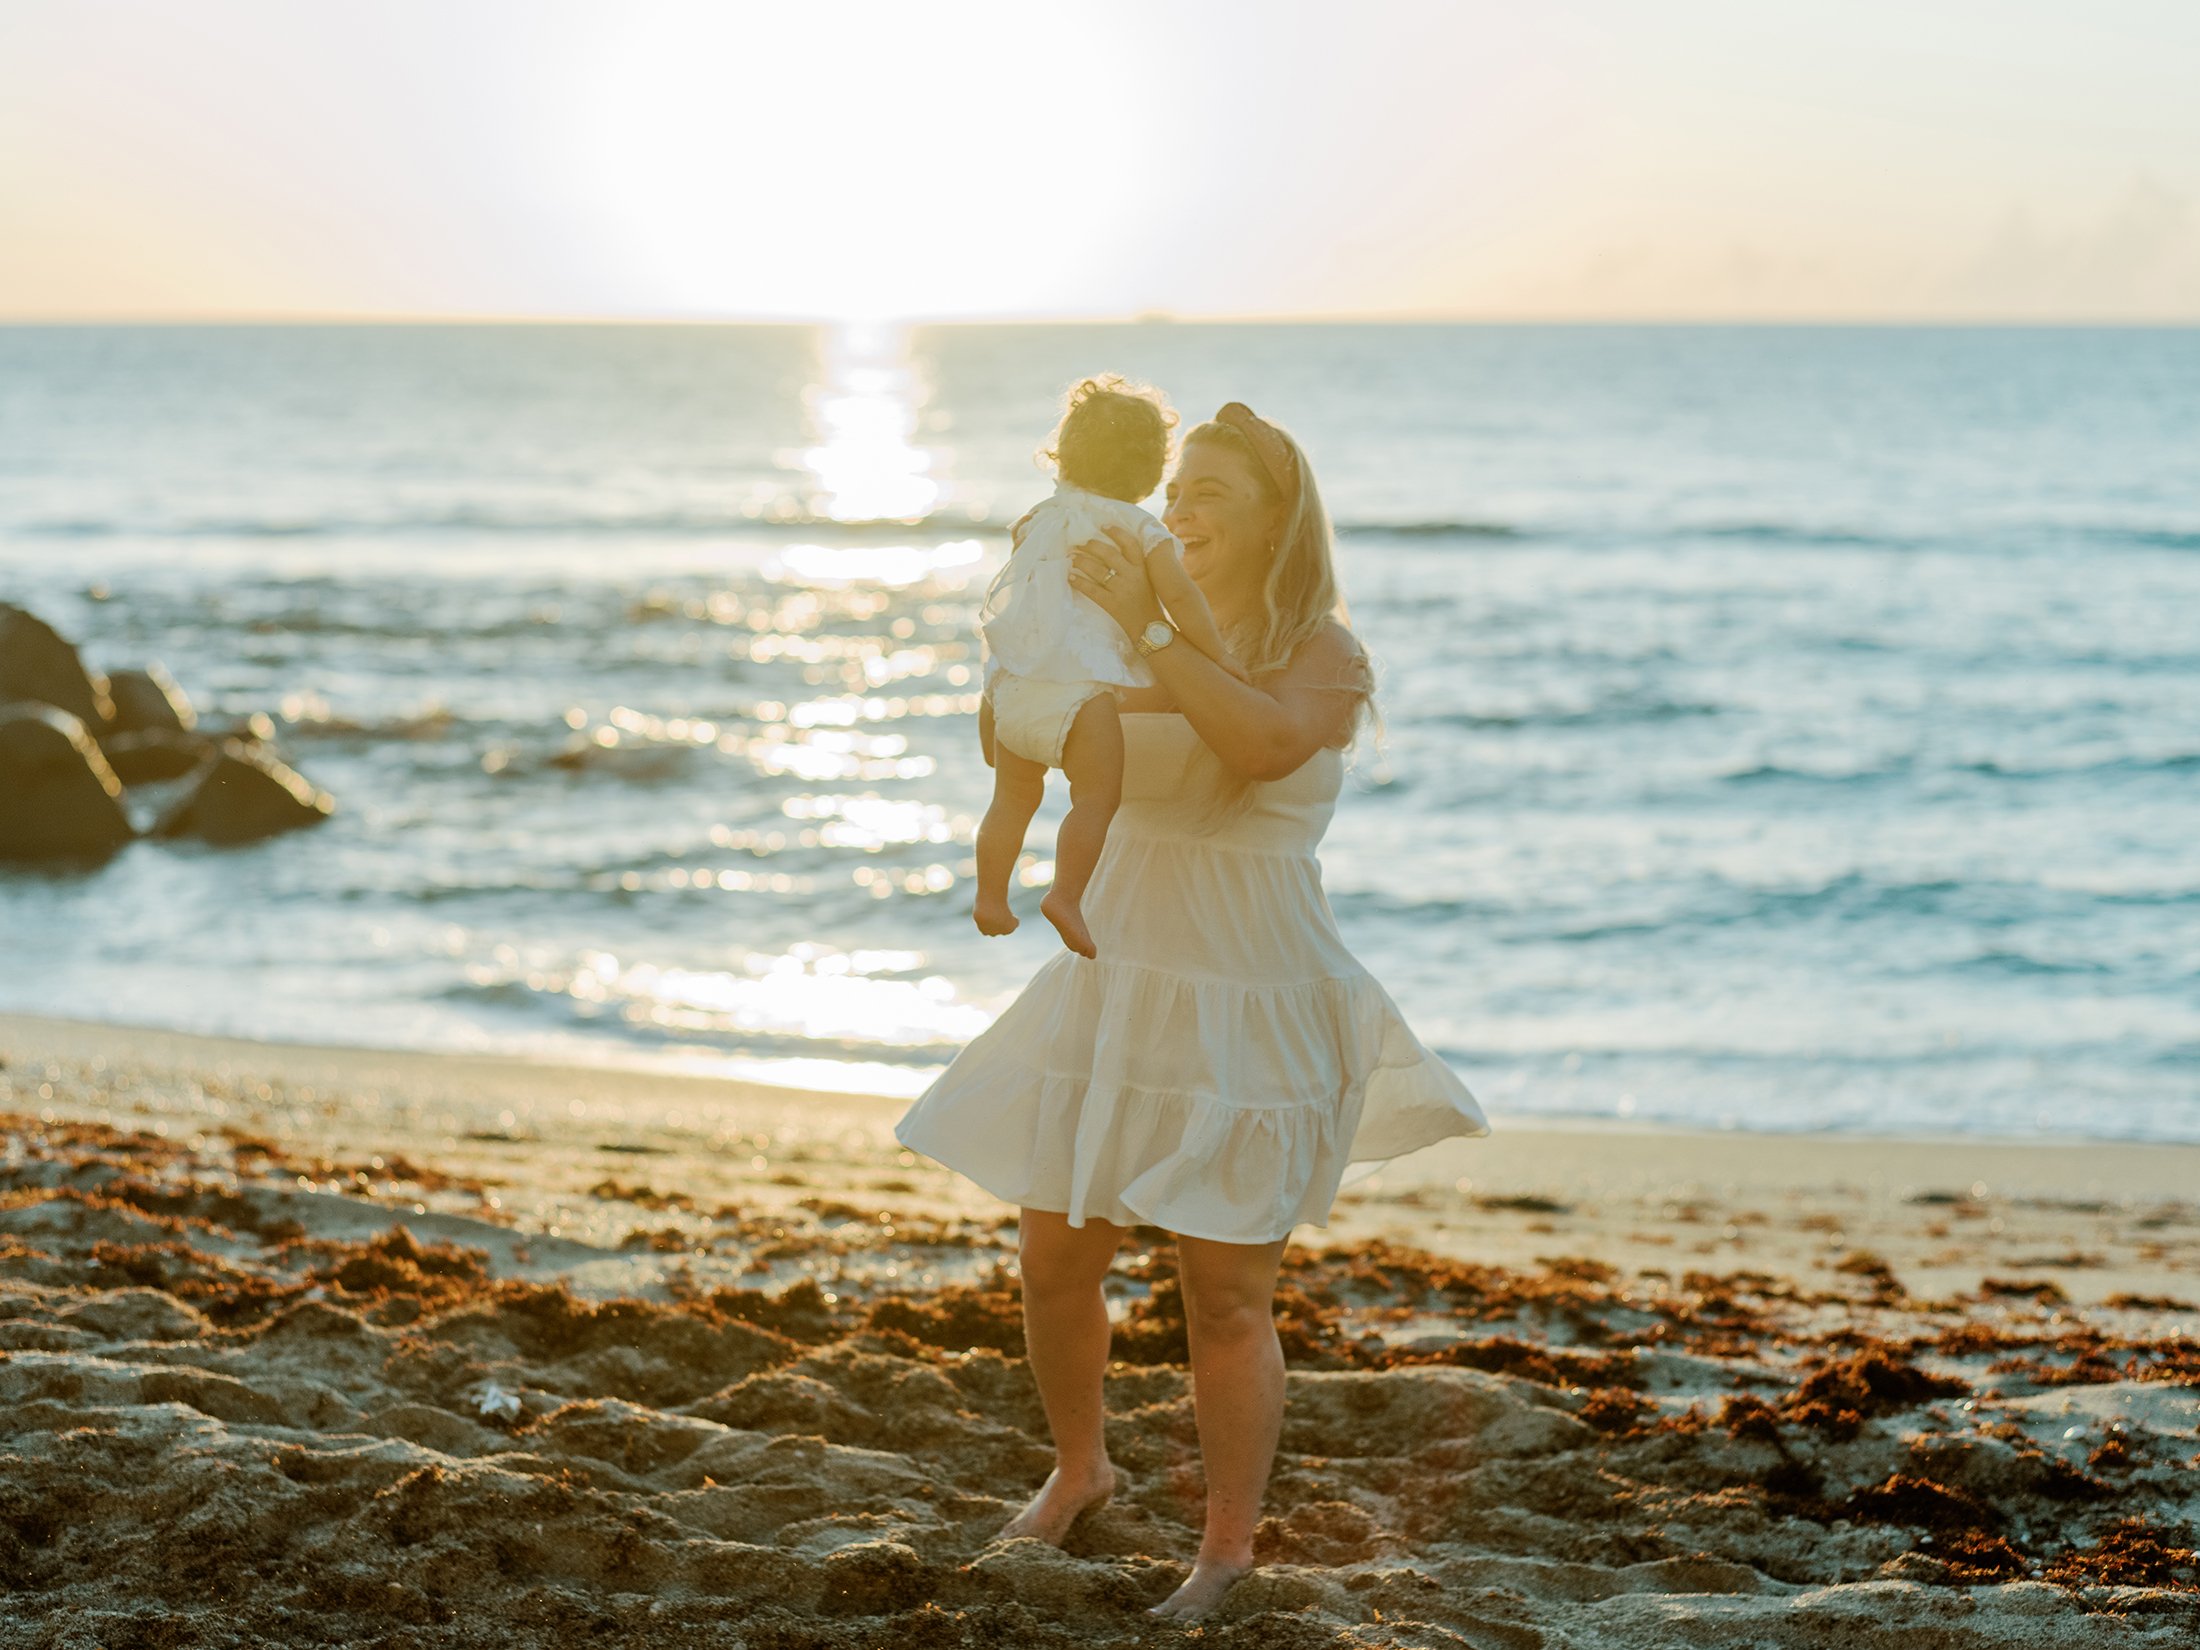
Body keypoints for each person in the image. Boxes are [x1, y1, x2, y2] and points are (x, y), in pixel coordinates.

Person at [896, 400, 1490, 1619]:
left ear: (1279, 518)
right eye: (1179, 492)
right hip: (1117, 983)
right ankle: (1080, 1468)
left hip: (1255, 1000)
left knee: (1222, 1295)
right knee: (1054, 1259)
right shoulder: (1117, 634)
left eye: (1213, 493)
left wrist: (1148, 628)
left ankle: (1224, 1551)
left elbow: (1263, 744)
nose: (1183, 511)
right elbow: (1036, 740)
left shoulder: (1321, 652)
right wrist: (1027, 655)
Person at [972, 376, 1243, 958]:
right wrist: (1218, 656)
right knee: (1093, 798)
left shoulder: (1034, 520)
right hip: (1080, 696)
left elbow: (1017, 606)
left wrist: (989, 702)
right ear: (1149, 474)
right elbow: (1183, 601)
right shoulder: (1140, 528)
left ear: (1063, 458)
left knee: (1011, 802)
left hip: (1011, 685)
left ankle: (990, 896)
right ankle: (1065, 895)